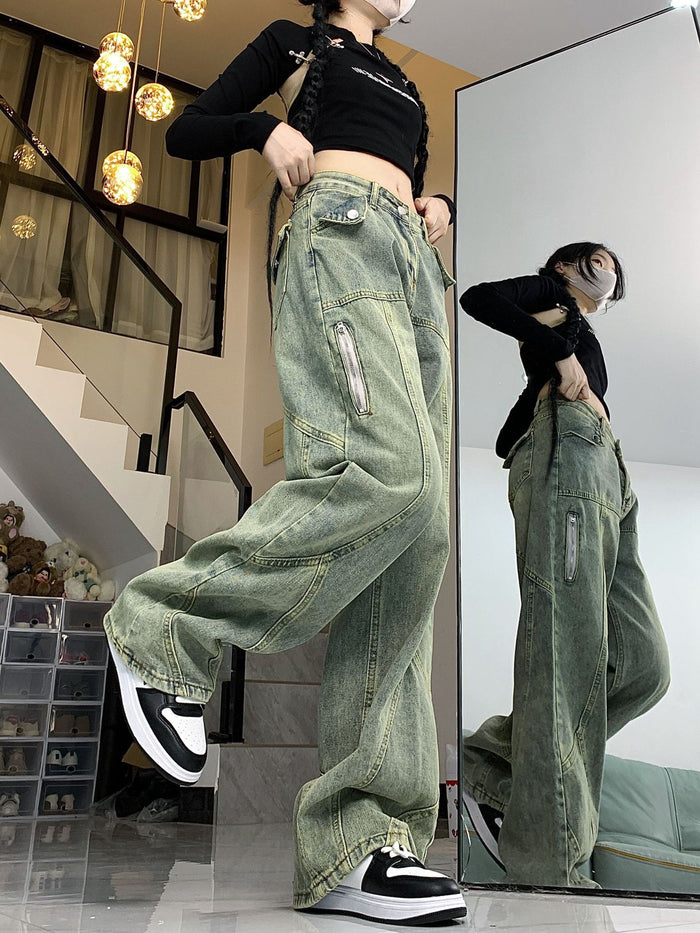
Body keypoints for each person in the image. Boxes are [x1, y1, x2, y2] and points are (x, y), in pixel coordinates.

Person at [103, 0, 466, 925]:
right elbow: (188, 129)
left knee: (419, 530)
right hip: (337, 234)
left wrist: (437, 205)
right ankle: (164, 623)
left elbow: (402, 166)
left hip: (412, 271)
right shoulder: (297, 42)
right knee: (388, 471)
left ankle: (362, 840)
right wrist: (264, 130)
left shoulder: (407, 82)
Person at [459, 243, 671, 888]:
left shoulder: (576, 322)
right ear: (566, 265)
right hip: (568, 447)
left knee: (643, 667)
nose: (609, 269)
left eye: (615, 266)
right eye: (598, 259)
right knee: (567, 650)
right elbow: (478, 298)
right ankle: (550, 865)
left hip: (607, 464)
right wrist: (558, 350)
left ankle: (492, 764)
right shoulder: (550, 295)